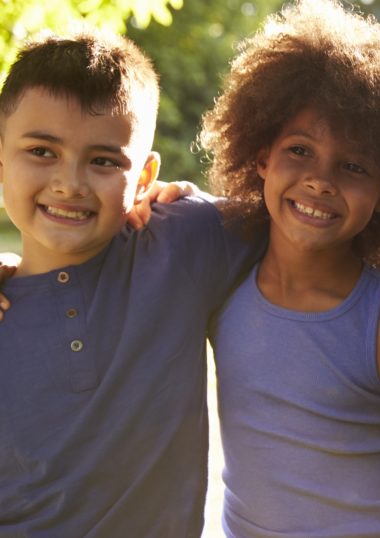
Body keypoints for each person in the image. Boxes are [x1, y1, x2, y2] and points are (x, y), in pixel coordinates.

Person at [199, 0, 380, 535]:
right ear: (260, 158)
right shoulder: (218, 285)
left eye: (353, 166)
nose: (321, 180)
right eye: (299, 150)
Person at [0, 31, 259, 535]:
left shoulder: (182, 243)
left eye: (104, 161)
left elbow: (330, 229)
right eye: (41, 151)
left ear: (143, 176)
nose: (69, 183)